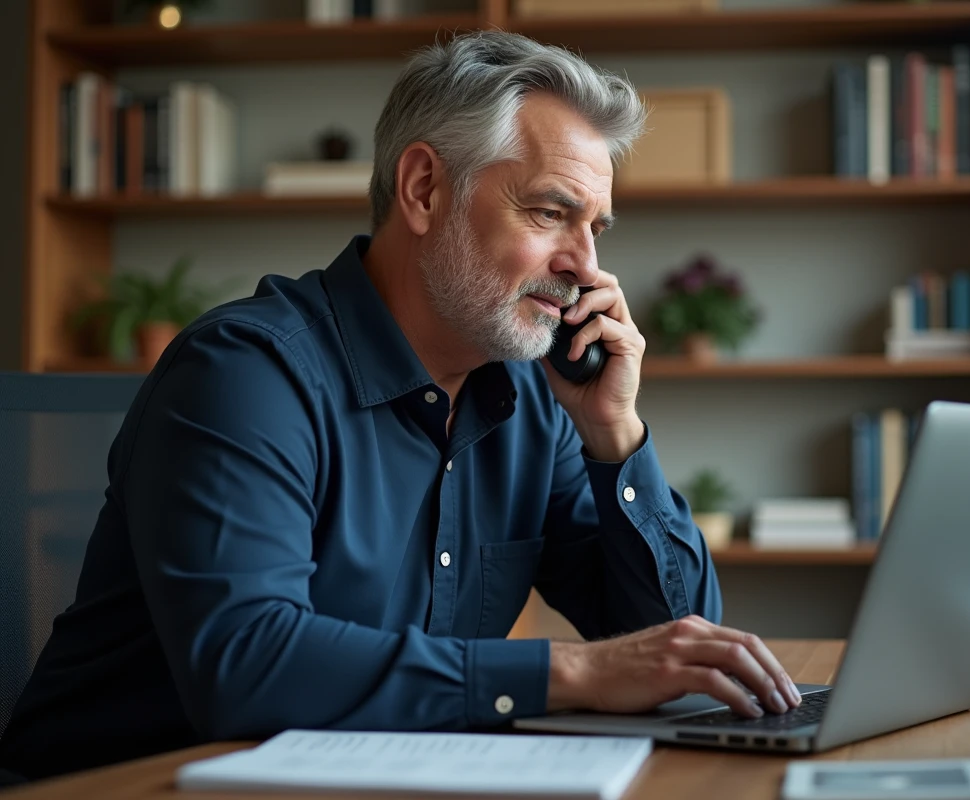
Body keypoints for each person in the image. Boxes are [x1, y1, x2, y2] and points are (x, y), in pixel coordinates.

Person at [0, 30, 800, 781]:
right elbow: (248, 665)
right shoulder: (244, 374)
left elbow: (682, 649)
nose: (585, 267)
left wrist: (613, 433)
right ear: (424, 189)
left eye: (596, 227)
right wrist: (574, 671)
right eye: (551, 212)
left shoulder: (533, 398)